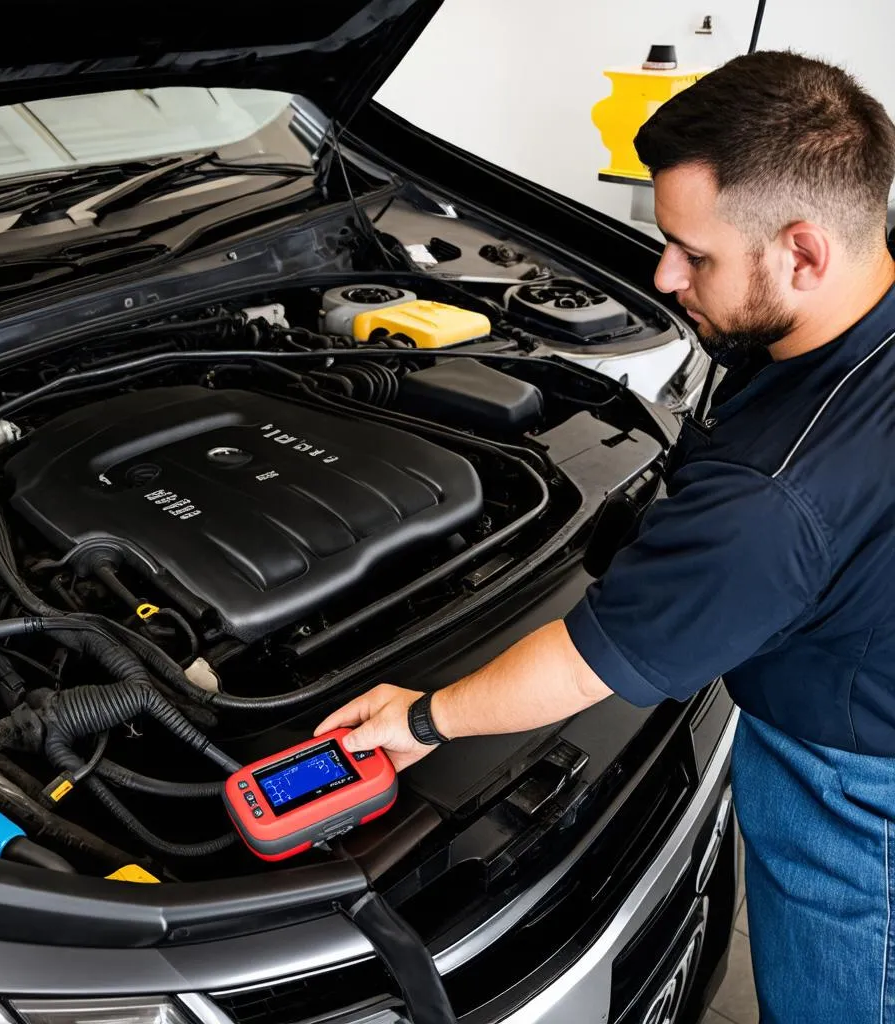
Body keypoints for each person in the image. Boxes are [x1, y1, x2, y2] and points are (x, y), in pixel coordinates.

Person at [315, 50, 895, 1023]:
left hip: (849, 791)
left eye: (693, 253)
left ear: (802, 251)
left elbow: (589, 665)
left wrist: (421, 719)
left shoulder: (773, 489)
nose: (663, 275)